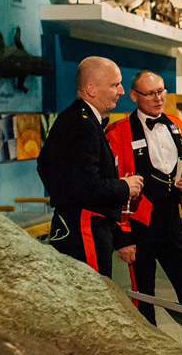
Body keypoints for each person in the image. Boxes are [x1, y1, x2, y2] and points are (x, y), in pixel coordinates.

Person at [105, 71, 182, 355]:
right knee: (143, 298)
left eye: (161, 91)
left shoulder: (175, 123)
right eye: (150, 93)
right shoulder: (119, 132)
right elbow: (114, 185)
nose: (158, 98)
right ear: (134, 96)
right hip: (139, 224)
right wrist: (124, 236)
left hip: (173, 221)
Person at [37, 56, 143, 278]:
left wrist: (64, 197)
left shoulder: (73, 118)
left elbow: (43, 165)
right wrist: (125, 187)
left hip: (77, 224)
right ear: (91, 89)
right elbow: (86, 187)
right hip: (86, 229)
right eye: (115, 85)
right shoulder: (82, 124)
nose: (121, 91)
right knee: (94, 297)